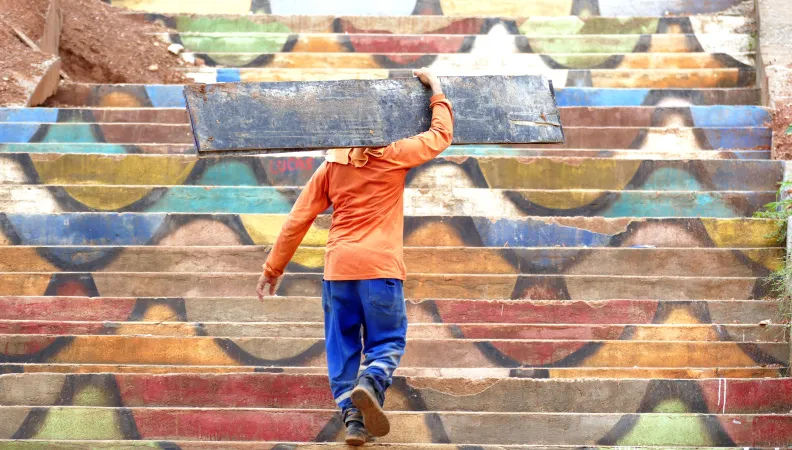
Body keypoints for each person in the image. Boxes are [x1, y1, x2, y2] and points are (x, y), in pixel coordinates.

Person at [256, 68, 453, 446]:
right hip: (380, 269)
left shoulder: (331, 166)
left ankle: (355, 422)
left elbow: (299, 218)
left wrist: (273, 268)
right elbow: (440, 135)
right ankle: (372, 381)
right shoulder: (394, 155)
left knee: (342, 347)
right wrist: (437, 90)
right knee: (388, 342)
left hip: (338, 271)